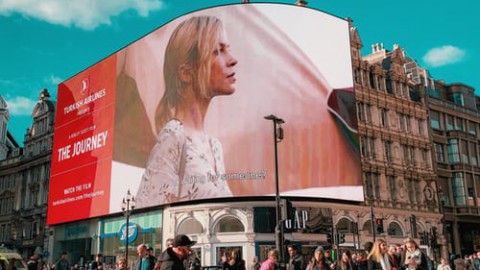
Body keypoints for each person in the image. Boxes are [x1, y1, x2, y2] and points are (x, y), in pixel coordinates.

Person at [135, 15, 238, 207]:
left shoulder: (215, 146)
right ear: (185, 73)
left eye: (227, 50)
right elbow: (149, 211)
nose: (232, 60)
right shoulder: (173, 137)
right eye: (217, 51)